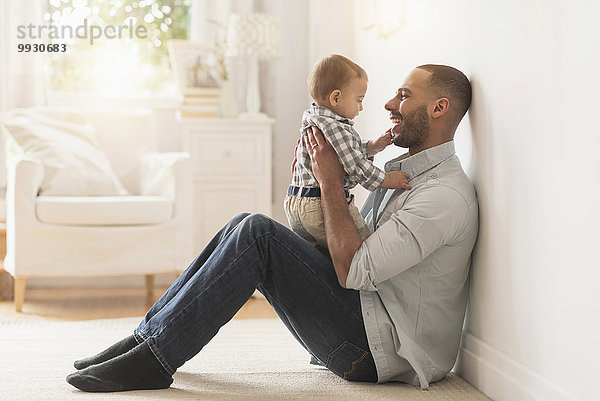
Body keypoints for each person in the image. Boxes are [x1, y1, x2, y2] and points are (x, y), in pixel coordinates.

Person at [66, 64, 478, 392]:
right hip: (366, 317)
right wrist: (321, 180)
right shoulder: (408, 175)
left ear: (439, 108)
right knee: (244, 223)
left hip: (375, 351)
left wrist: (330, 181)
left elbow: (353, 269)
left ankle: (153, 361)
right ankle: (145, 341)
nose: (390, 103)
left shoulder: (442, 196)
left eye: (404, 96)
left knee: (258, 235)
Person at [285, 54, 412, 253]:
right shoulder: (336, 127)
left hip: (297, 203)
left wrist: (372, 147)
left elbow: (341, 154)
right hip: (318, 205)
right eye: (359, 100)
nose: (361, 107)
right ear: (336, 98)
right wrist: (386, 180)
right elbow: (355, 165)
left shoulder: (315, 120)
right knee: (364, 249)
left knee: (316, 257)